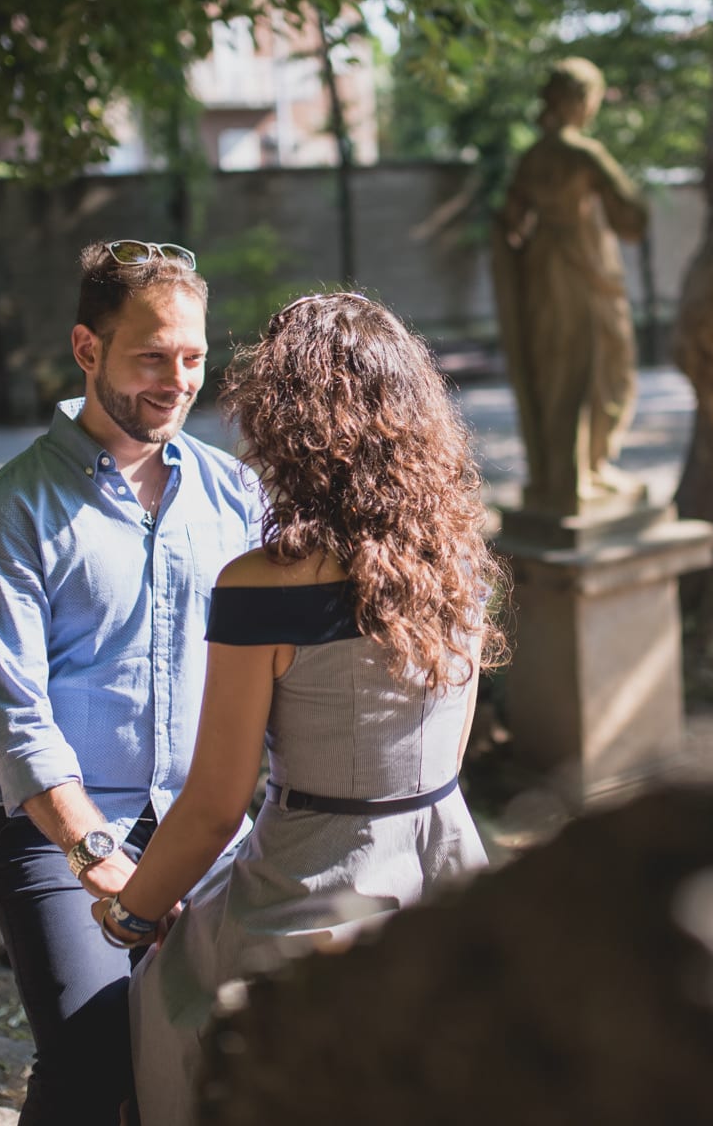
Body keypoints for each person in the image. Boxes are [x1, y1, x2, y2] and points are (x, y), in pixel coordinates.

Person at [92, 292, 505, 1124]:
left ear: (285, 424)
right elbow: (447, 756)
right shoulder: (460, 562)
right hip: (447, 872)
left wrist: (130, 915)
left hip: (314, 886)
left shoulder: (259, 586)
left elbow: (215, 805)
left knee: (165, 1008)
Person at [0, 239, 261, 1126]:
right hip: (59, 836)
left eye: (195, 357)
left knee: (215, 1065)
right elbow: (17, 723)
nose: (178, 381)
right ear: (87, 349)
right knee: (95, 1063)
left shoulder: (237, 495)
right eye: (152, 357)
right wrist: (101, 859)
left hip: (210, 821)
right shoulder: (13, 509)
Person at [492, 57, 651, 514]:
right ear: (580, 101)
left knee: (558, 373)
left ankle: (570, 472)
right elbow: (634, 217)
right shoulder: (583, 154)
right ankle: (582, 473)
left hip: (542, 274)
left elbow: (509, 224)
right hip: (585, 272)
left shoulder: (531, 159)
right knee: (605, 367)